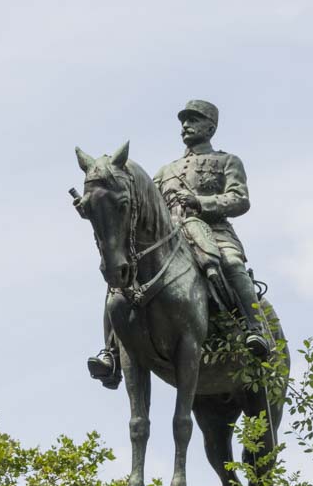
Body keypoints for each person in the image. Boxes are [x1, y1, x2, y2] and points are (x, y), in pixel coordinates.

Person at [87, 100, 269, 389]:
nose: (186, 126)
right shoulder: (165, 171)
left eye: (194, 120)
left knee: (232, 263)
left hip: (214, 231)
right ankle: (110, 353)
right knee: (119, 279)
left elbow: (239, 199)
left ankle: (253, 328)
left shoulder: (227, 162)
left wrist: (201, 202)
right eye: (184, 121)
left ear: (210, 127)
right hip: (169, 237)